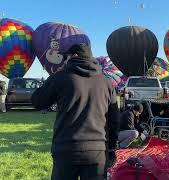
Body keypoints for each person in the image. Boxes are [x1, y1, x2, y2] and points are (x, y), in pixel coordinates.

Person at [31, 43, 119, 180]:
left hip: (66, 148)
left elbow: (37, 101)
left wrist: (54, 77)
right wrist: (112, 149)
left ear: (74, 56)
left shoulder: (61, 77)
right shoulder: (107, 83)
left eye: (66, 57)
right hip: (97, 150)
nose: (64, 60)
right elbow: (114, 121)